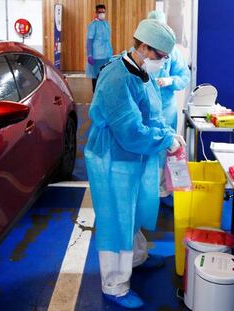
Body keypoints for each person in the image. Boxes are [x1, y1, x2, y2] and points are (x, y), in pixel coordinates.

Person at [85, 19, 185, 309]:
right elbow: (129, 130)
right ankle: (114, 284)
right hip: (113, 158)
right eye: (160, 56)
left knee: (133, 209)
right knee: (117, 217)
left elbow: (152, 114)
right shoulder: (117, 77)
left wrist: (167, 133)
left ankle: (137, 256)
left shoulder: (141, 71)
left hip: (132, 156)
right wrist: (162, 142)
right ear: (143, 46)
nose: (162, 62)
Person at [147, 10, 191, 207]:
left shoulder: (172, 52)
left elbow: (184, 77)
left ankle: (165, 188)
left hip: (166, 108)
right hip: (146, 109)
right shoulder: (144, 51)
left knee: (167, 148)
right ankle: (150, 189)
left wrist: (169, 80)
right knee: (148, 148)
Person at [86, 4, 113, 92]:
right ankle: (96, 97)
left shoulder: (106, 24)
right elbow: (89, 41)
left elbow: (108, 40)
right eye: (100, 12)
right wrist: (89, 55)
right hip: (97, 56)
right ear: (96, 13)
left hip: (107, 55)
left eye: (103, 12)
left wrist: (110, 54)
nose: (102, 14)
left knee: (106, 77)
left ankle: (104, 96)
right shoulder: (93, 25)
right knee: (96, 78)